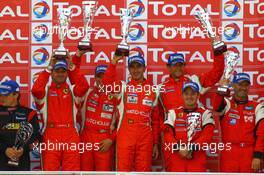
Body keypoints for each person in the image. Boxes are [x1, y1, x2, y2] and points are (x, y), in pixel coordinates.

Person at [159, 42, 227, 170]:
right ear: (168, 67)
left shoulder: (194, 80)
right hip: (173, 145)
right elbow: (158, 117)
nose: (178, 68)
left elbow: (215, 74)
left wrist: (218, 53)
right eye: (174, 65)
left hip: (195, 144)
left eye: (181, 65)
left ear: (184, 66)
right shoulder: (161, 88)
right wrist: (164, 144)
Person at [102, 54, 160, 171]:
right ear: (128, 69)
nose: (135, 70)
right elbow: (107, 83)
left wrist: (155, 143)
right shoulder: (123, 87)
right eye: (132, 67)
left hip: (145, 137)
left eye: (138, 66)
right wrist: (113, 62)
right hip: (125, 135)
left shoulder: (154, 90)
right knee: (123, 171)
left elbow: (155, 120)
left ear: (144, 68)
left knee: (143, 171)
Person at [32, 54, 89, 171]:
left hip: (70, 134)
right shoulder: (45, 91)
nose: (60, 74)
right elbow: (36, 90)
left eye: (63, 71)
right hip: (51, 134)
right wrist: (48, 68)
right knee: (50, 171)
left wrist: (72, 66)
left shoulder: (73, 90)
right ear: (52, 73)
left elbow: (84, 86)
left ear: (67, 73)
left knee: (72, 171)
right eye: (57, 71)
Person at [72, 50, 117, 171]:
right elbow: (75, 76)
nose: (102, 79)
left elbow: (123, 122)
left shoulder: (116, 96)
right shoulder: (87, 91)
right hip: (86, 136)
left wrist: (111, 139)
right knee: (85, 172)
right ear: (95, 77)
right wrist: (76, 58)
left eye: (104, 76)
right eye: (99, 76)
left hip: (104, 139)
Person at [213, 73, 264, 172]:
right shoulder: (227, 104)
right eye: (240, 84)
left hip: (248, 153)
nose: (243, 88)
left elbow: (261, 133)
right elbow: (216, 106)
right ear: (233, 85)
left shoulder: (258, 107)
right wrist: (222, 88)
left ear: (249, 86)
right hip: (229, 152)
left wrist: (257, 155)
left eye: (246, 85)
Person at [163, 81, 215, 172]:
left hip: (197, 159)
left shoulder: (205, 113)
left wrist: (190, 148)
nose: (189, 97)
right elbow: (167, 135)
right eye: (186, 94)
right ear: (182, 96)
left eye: (193, 94)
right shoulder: (173, 113)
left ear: (198, 96)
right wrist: (179, 148)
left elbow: (207, 136)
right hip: (177, 159)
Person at [0, 80, 40, 171]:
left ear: (16, 95)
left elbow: (37, 140)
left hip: (22, 163)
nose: (1, 98)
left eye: (5, 95)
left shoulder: (29, 114)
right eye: (0, 95)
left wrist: (23, 149)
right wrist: (5, 149)